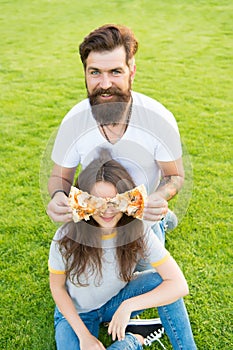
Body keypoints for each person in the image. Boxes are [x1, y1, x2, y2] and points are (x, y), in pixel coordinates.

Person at [47, 24, 184, 246]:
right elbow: (60, 178)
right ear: (85, 73)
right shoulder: (74, 121)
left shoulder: (159, 119)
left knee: (142, 273)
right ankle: (165, 219)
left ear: (132, 71)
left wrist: (158, 197)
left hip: (139, 218)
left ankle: (160, 220)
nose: (105, 84)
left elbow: (174, 176)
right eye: (95, 73)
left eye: (115, 72)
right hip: (96, 220)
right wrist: (58, 197)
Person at [48, 150, 196, 349]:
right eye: (98, 202)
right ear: (84, 201)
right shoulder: (65, 237)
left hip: (115, 301)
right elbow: (57, 288)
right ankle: (134, 340)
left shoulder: (137, 230)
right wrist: (84, 336)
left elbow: (179, 285)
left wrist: (128, 306)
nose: (108, 211)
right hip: (78, 312)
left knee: (161, 279)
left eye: (115, 202)